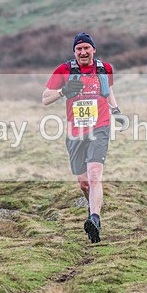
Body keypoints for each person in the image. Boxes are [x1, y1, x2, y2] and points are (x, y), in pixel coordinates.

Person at [42, 33, 121, 243]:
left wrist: (116, 110)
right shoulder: (64, 70)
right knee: (84, 184)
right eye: (79, 49)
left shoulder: (104, 69)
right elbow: (45, 99)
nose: (83, 52)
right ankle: (92, 208)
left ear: (94, 49)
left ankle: (95, 218)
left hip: (100, 127)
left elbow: (108, 91)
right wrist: (63, 91)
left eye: (87, 48)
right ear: (74, 52)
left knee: (94, 175)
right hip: (75, 131)